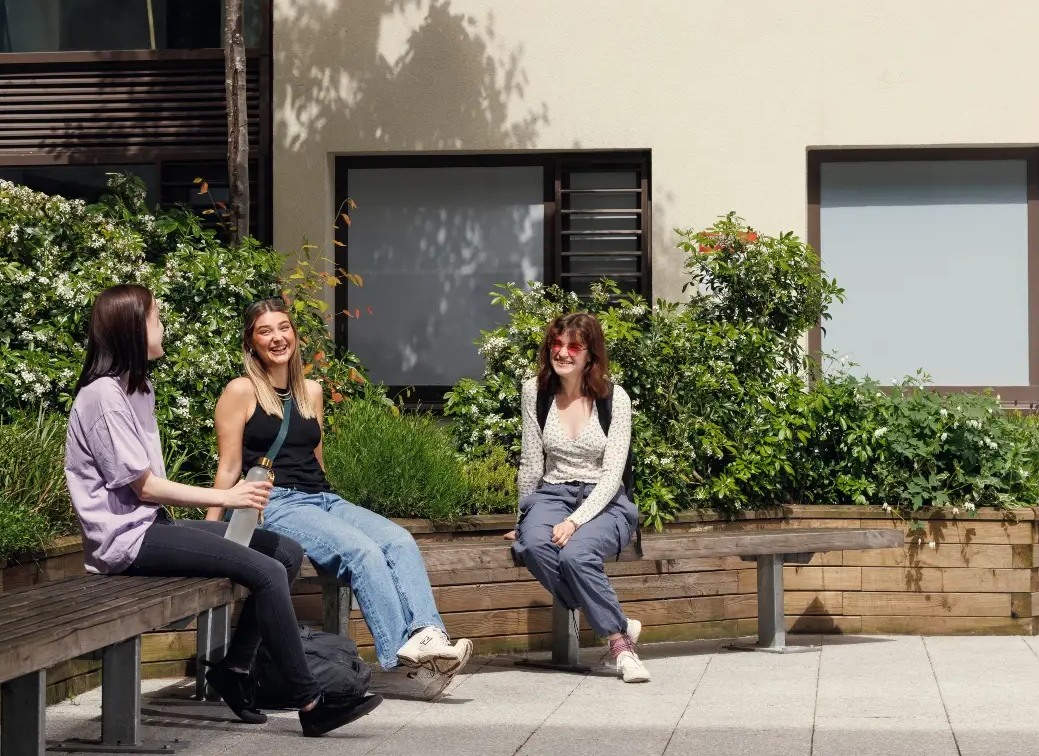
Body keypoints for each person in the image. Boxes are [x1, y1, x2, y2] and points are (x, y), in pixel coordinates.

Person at [64, 285, 382, 737]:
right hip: (125, 543)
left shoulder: (136, 389)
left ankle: (234, 671)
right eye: (156, 318)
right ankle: (311, 702)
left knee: (285, 552)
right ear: (133, 329)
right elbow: (145, 486)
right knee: (268, 571)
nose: (163, 326)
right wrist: (227, 498)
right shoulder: (103, 396)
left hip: (151, 528)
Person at [209, 298, 474, 687]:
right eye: (265, 331)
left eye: (284, 327)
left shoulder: (310, 391)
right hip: (274, 502)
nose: (277, 337)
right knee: (360, 551)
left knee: (399, 540)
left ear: (295, 335)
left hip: (321, 499)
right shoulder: (241, 391)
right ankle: (413, 657)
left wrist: (336, 508)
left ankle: (429, 636)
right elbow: (229, 467)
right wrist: (211, 533)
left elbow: (315, 461)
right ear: (251, 343)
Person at [505, 312, 648, 683]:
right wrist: (520, 522)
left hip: (605, 502)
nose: (562, 353)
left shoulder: (615, 399)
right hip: (551, 495)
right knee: (534, 546)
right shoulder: (534, 392)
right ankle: (618, 620)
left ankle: (619, 646)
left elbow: (612, 474)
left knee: (576, 554)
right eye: (556, 344)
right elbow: (532, 462)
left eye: (573, 346)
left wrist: (575, 521)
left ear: (590, 355)